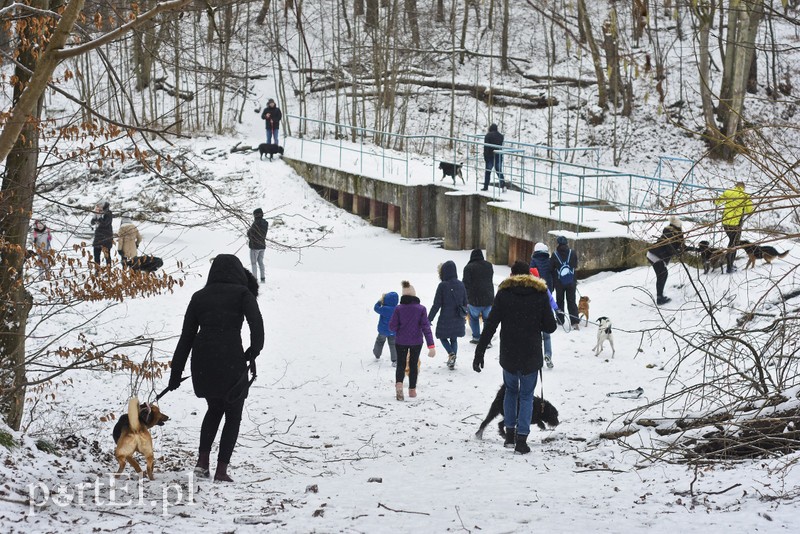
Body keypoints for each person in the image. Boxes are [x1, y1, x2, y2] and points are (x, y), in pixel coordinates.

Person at [168, 254, 264, 482]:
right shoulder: (243, 294)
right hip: (231, 358)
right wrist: (254, 350)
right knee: (233, 413)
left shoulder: (199, 297)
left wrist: (175, 374)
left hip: (204, 361)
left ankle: (202, 464)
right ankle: (221, 470)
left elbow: (186, 338)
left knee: (213, 409)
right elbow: (257, 325)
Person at [472, 261, 557, 454]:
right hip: (530, 354)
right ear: (529, 275)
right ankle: (521, 441)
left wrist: (480, 352)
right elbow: (550, 327)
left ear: (511, 274)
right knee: (526, 396)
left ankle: (509, 436)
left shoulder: (504, 294)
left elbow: (491, 324)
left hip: (509, 354)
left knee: (511, 391)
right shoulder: (540, 294)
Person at [388, 281, 436, 400]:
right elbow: (426, 327)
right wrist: (431, 345)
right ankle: (412, 390)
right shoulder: (421, 309)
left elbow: (392, 327)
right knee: (413, 365)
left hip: (401, 341)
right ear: (414, 295)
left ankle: (399, 386)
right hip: (416, 342)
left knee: (401, 364)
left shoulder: (398, 309)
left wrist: (399, 326)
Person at [428, 260, 468, 370]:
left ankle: (451, 354)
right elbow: (465, 302)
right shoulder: (461, 284)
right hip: (458, 317)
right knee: (454, 339)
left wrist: (429, 318)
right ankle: (452, 359)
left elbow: (436, 304)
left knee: (442, 336)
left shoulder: (442, 286)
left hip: (445, 316)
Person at [714, 181, 753, 274]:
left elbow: (717, 202)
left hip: (726, 223)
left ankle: (729, 264)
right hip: (736, 225)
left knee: (732, 243)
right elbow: (749, 210)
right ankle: (729, 266)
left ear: (736, 186)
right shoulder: (745, 196)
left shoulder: (728, 192)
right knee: (734, 245)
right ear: (743, 187)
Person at [530, 243, 559, 368]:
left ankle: (534, 356)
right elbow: (553, 276)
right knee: (547, 336)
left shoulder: (533, 261)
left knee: (535, 336)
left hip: (534, 308)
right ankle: (548, 354)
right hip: (546, 299)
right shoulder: (549, 261)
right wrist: (557, 309)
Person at [646, 216, 686, 306]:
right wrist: (677, 252)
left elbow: (683, 247)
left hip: (655, 254)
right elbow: (670, 247)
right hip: (655, 255)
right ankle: (659, 298)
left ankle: (660, 297)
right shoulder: (670, 233)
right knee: (663, 274)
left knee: (662, 275)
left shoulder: (673, 233)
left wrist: (697, 250)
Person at [462, 249, 494, 344]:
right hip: (489, 298)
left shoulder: (468, 268)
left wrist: (465, 298)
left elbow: (465, 284)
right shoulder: (489, 265)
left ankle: (476, 338)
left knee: (474, 318)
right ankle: (487, 340)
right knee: (487, 320)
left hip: (474, 300)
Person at [550, 236, 579, 329]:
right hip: (571, 282)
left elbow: (551, 268)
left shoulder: (555, 255)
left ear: (558, 244)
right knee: (571, 301)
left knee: (560, 301)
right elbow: (575, 265)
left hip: (559, 283)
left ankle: (560, 320)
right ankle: (574, 322)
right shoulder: (573, 253)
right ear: (567, 243)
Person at [373, 290, 399, 366]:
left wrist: (379, 302)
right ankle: (395, 360)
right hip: (393, 331)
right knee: (393, 344)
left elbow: (376, 308)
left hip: (383, 331)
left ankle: (377, 354)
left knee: (380, 342)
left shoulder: (384, 309)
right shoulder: (397, 309)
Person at [247, 208, 269, 283]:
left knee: (254, 263)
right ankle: (263, 278)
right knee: (260, 262)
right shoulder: (266, 223)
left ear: (255, 215)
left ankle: (254, 280)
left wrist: (249, 233)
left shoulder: (255, 223)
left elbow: (250, 233)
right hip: (262, 245)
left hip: (254, 246)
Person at [482, 123, 506, 191]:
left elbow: (486, 147)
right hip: (498, 155)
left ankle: (486, 186)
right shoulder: (501, 136)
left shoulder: (488, 135)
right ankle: (503, 185)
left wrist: (485, 156)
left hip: (490, 156)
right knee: (499, 171)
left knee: (488, 172)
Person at [90, 201, 114, 267]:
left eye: (99, 207)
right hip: (98, 237)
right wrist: (95, 216)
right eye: (97, 207)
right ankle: (97, 270)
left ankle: (109, 271)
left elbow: (104, 223)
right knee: (96, 255)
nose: (98, 208)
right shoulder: (98, 214)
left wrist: (99, 216)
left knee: (107, 256)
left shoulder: (108, 213)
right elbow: (92, 222)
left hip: (106, 237)